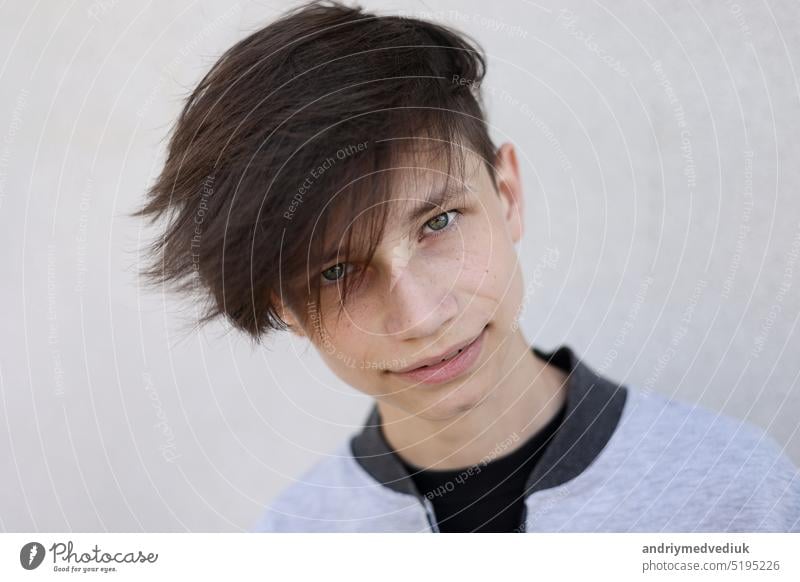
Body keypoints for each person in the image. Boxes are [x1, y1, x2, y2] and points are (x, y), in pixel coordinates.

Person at [133, 0, 800, 532]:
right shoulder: (293, 541)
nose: (422, 316)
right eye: (338, 271)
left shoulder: (738, 494)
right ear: (285, 309)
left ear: (507, 194)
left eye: (439, 223)